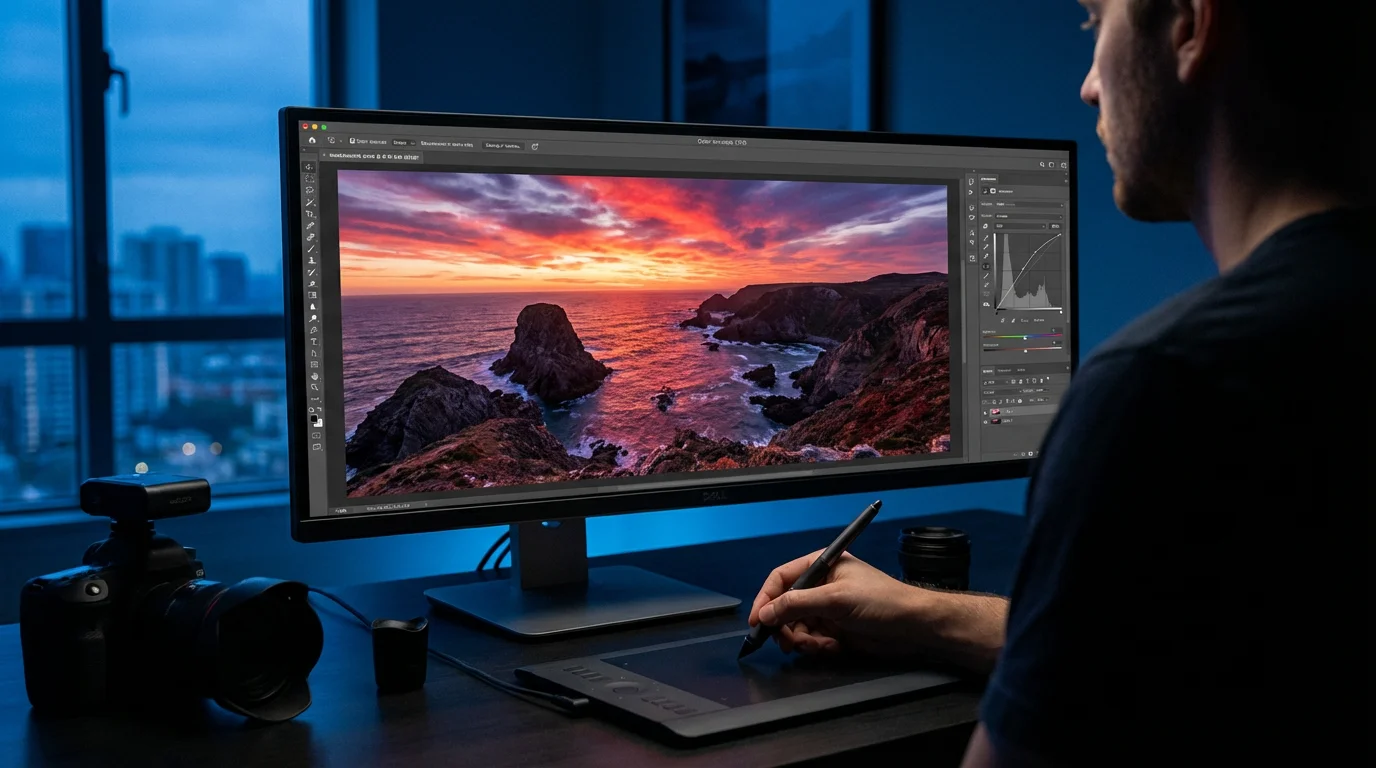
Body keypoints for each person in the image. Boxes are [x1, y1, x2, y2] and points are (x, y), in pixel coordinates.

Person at [749, 0, 1371, 764]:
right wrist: (920, 615)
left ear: (1189, 24)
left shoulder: (1166, 387)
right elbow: (1169, 644)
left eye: (1094, 23)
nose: (1086, 85)